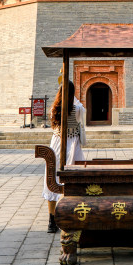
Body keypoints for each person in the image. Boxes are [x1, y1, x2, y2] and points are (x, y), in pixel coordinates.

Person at [43, 80, 86, 233]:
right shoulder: (78, 109)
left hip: (56, 145)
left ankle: (51, 221)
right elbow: (81, 113)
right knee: (74, 180)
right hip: (73, 145)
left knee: (52, 179)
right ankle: (72, 215)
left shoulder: (54, 109)